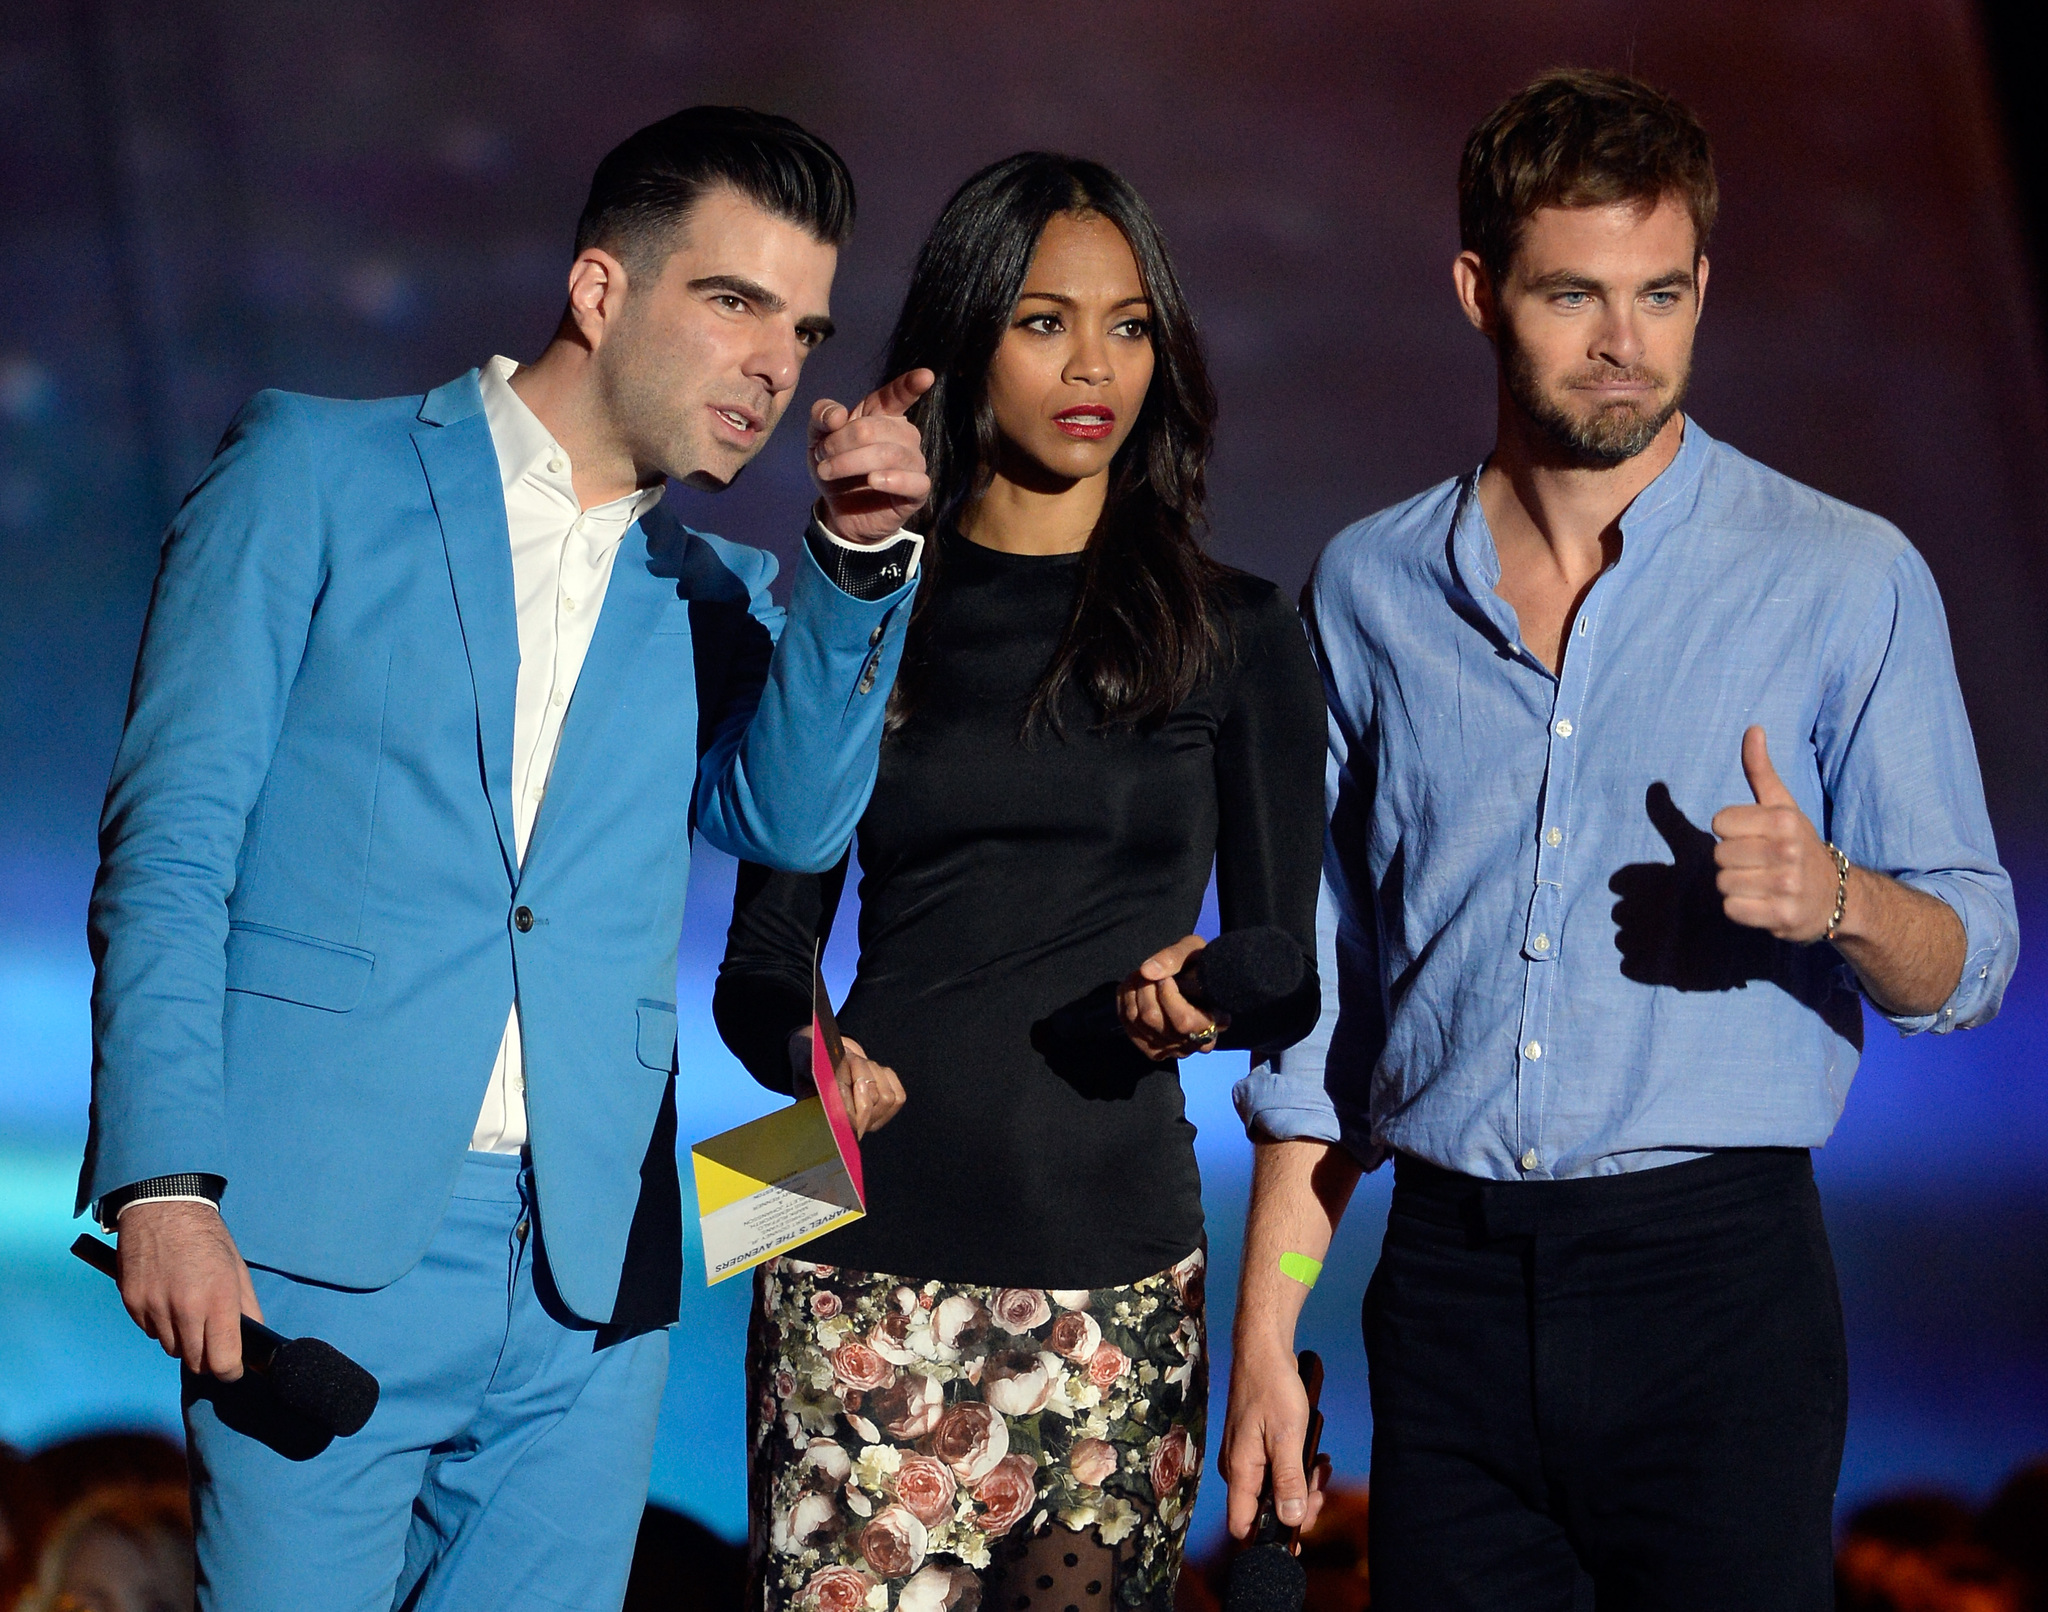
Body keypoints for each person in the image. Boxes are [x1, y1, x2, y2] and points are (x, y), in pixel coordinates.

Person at [81, 106, 932, 1610]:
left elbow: (793, 824)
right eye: (733, 302)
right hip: (317, 1255)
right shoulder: (314, 469)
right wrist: (162, 1183)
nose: (776, 364)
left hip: (589, 1288)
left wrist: (855, 567)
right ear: (601, 291)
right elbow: (172, 846)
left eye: (803, 328)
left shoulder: (720, 593)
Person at [1223, 68, 2018, 1610]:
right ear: (1477, 291)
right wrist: (1268, 1335)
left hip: (1716, 1285)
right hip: (1446, 1287)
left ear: (1705, 285)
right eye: (1573, 293)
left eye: (1660, 292)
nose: (1622, 342)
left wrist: (1841, 897)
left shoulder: (1844, 575)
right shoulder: (1370, 586)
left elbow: (1971, 957)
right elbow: (1326, 1014)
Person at [712, 152, 1326, 1610]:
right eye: (1046, 321)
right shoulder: (863, 600)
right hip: (843, 1235)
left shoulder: (1232, 628)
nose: (1093, 364)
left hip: (1108, 1251)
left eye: (1128, 324)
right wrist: (808, 1059)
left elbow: (1285, 964)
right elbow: (759, 958)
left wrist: (1203, 998)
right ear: (967, 334)